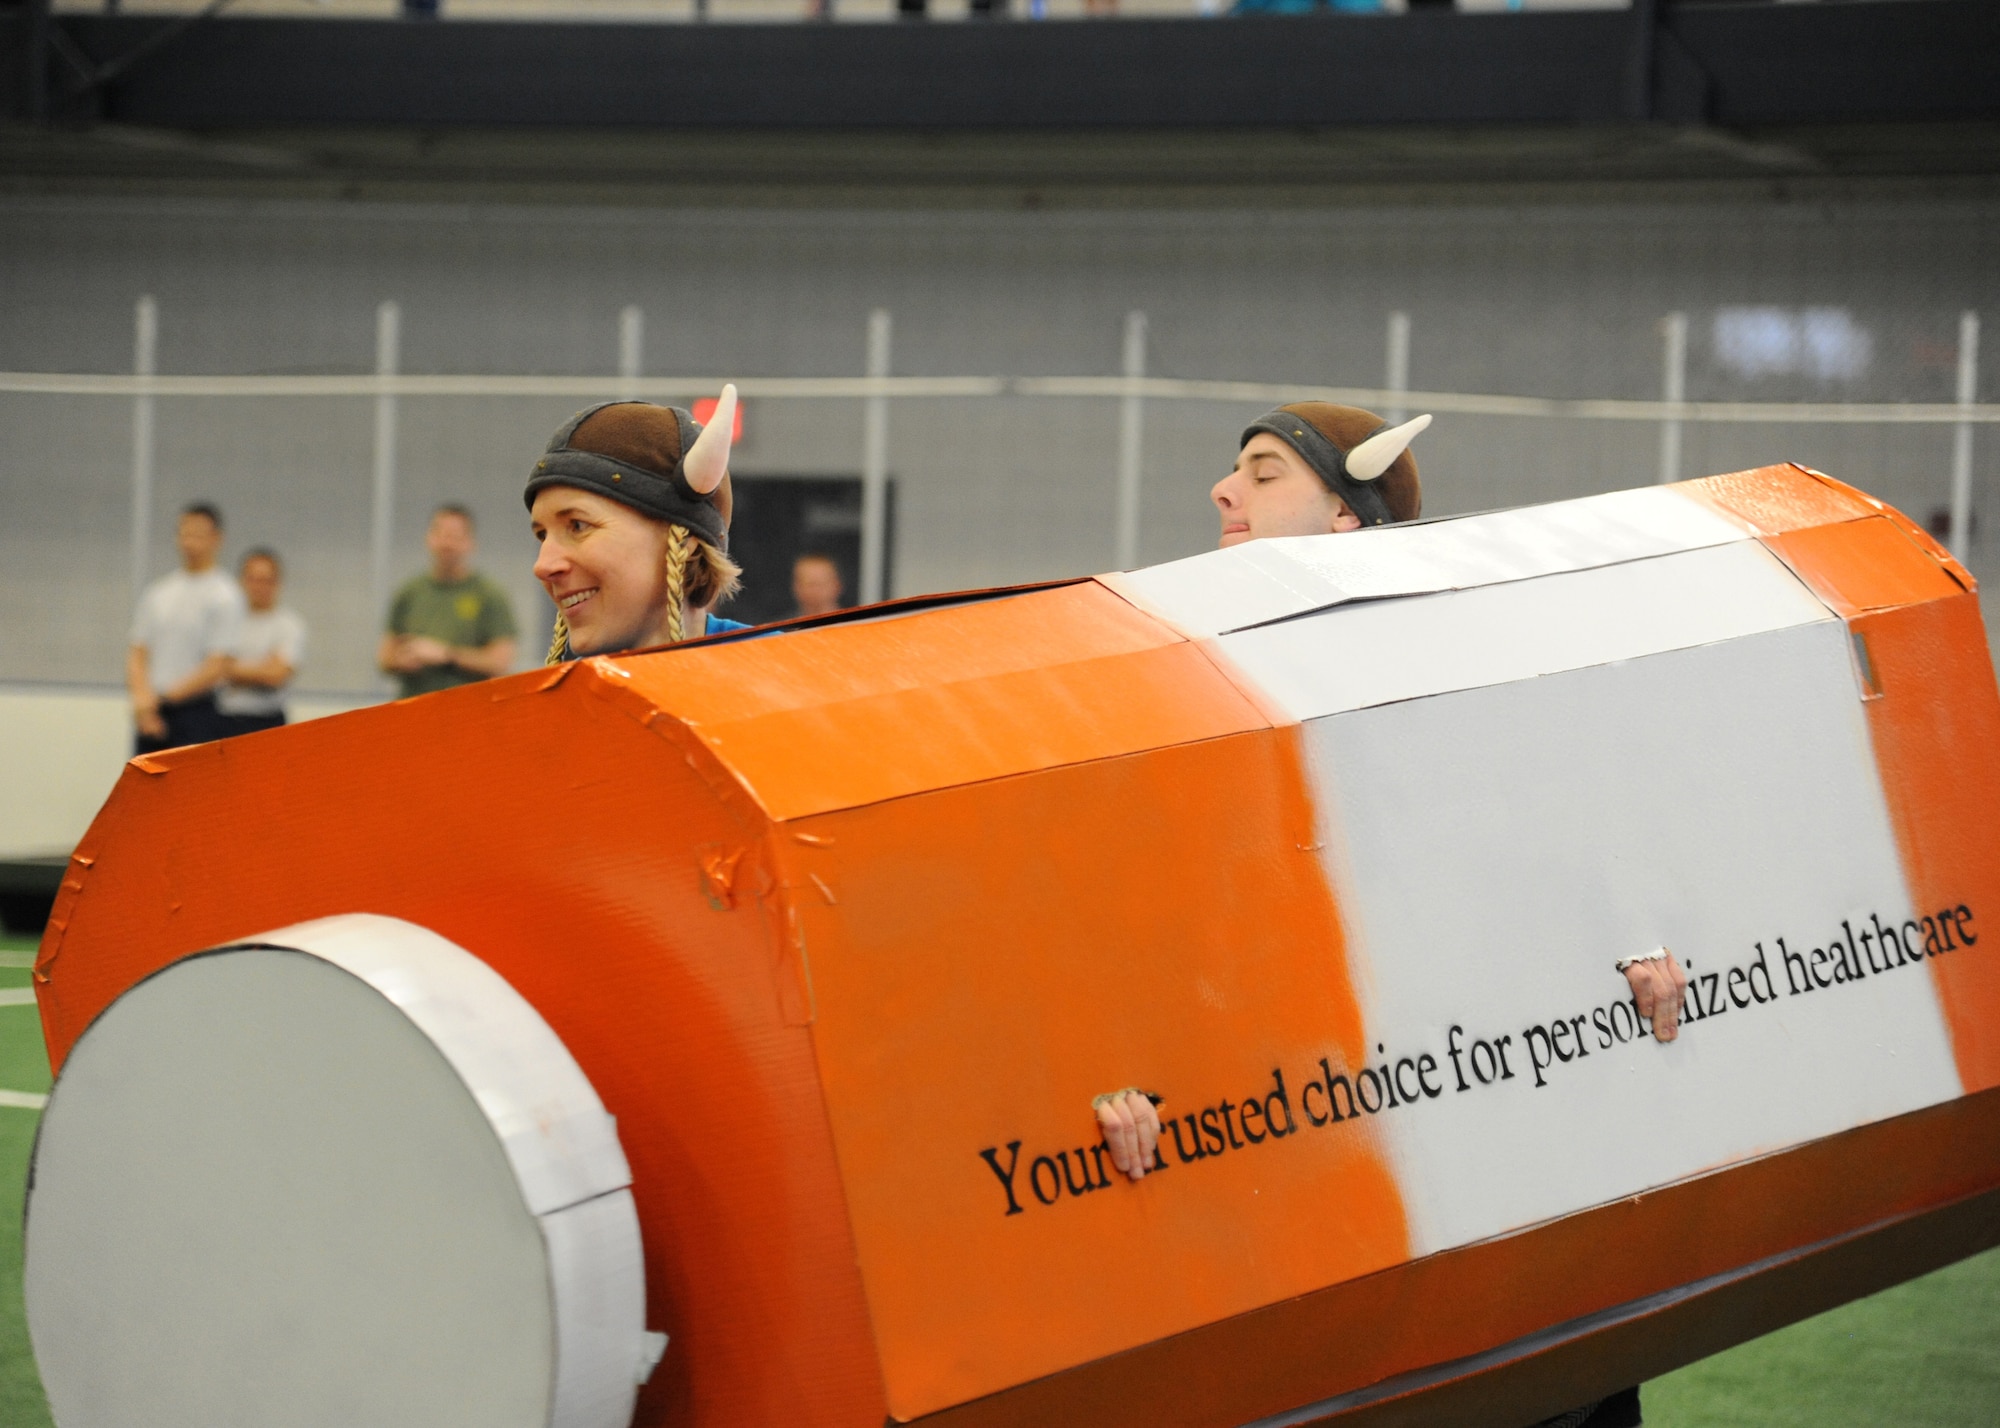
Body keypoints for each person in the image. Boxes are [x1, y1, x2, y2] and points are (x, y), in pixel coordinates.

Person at [527, 385, 750, 662]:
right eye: (542, 535)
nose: (543, 566)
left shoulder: (787, 679)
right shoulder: (562, 702)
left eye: (577, 526)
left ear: (684, 539)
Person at [126, 502, 244, 755]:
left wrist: (165, 699)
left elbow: (217, 665)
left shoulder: (225, 594)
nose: (190, 542)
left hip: (196, 712)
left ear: (217, 539)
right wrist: (143, 702)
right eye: (185, 533)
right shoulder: (158, 592)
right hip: (151, 712)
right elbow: (138, 652)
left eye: (199, 535)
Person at [378, 505, 518, 699]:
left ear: (470, 543)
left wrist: (446, 655)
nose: (446, 544)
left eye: (454, 536)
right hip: (413, 710)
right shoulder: (409, 593)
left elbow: (500, 662)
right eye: (440, 534)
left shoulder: (489, 595)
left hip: (468, 711)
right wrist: (401, 660)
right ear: (428, 538)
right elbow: (385, 657)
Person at [215, 548, 306, 736]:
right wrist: (261, 667)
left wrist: (231, 669)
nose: (259, 587)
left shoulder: (290, 625)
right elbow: (213, 668)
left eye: (266, 580)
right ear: (241, 581)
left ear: (277, 583)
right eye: (253, 579)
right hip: (223, 720)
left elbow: (276, 675)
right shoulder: (224, 621)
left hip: (268, 722)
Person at [790, 552, 846, 619]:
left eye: (820, 584)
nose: (815, 590)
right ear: (796, 587)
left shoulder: (855, 624)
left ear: (837, 586)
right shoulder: (783, 627)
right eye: (810, 584)